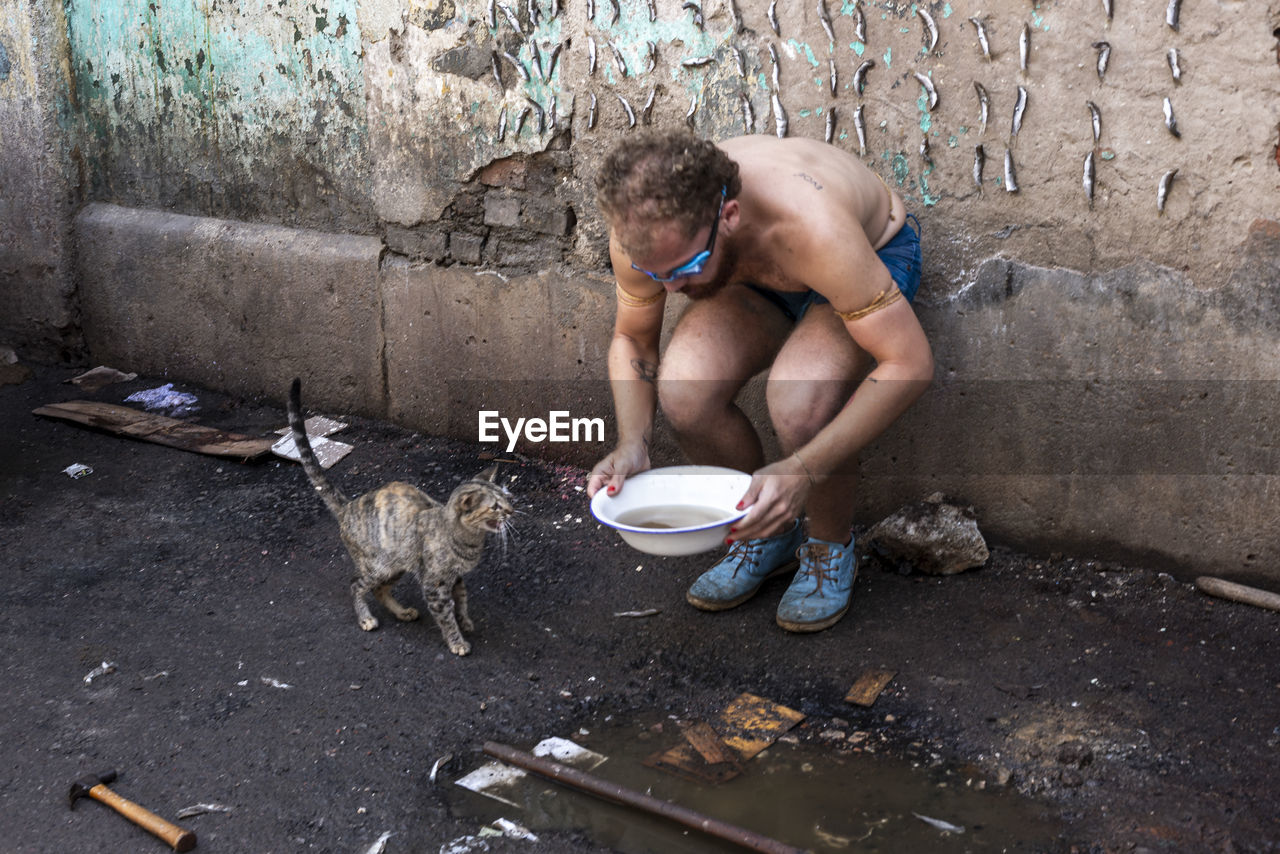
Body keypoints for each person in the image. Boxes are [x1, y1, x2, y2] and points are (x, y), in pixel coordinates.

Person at [586, 130, 933, 633]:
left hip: (867, 258)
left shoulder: (810, 226)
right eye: (653, 272)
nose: (671, 289)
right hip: (753, 274)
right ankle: (766, 533)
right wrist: (631, 442)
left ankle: (829, 548)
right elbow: (635, 340)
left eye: (685, 269)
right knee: (685, 390)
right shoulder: (640, 234)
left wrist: (802, 470)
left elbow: (909, 362)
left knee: (798, 402)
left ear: (728, 217)